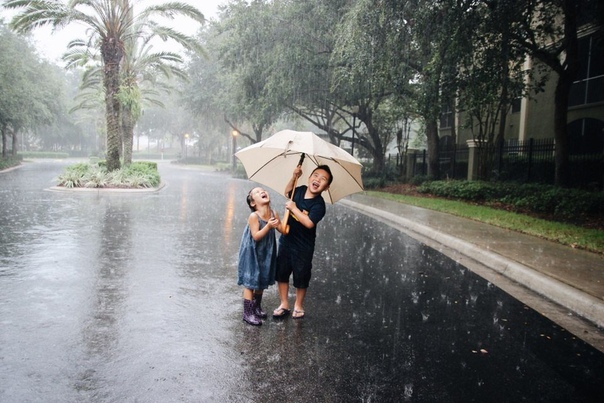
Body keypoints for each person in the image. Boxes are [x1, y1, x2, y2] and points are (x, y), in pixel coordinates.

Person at [273, 165, 333, 319]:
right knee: (282, 272)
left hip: (303, 246)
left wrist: (294, 209)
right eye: (316, 175)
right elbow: (288, 192)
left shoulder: (319, 205)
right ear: (309, 177)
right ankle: (284, 303)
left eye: (323, 179)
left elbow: (309, 223)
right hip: (287, 240)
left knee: (302, 275)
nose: (318, 180)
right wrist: (294, 177)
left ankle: (298, 305)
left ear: (326, 187)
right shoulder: (299, 190)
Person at [237, 187, 281, 326]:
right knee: (251, 281)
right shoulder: (254, 216)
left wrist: (290, 213)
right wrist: (268, 226)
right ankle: (248, 313)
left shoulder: (274, 213)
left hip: (266, 251)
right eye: (257, 192)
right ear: (253, 203)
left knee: (261, 278)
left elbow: (283, 229)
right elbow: (256, 236)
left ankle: (256, 306)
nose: (262, 192)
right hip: (252, 251)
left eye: (263, 190)